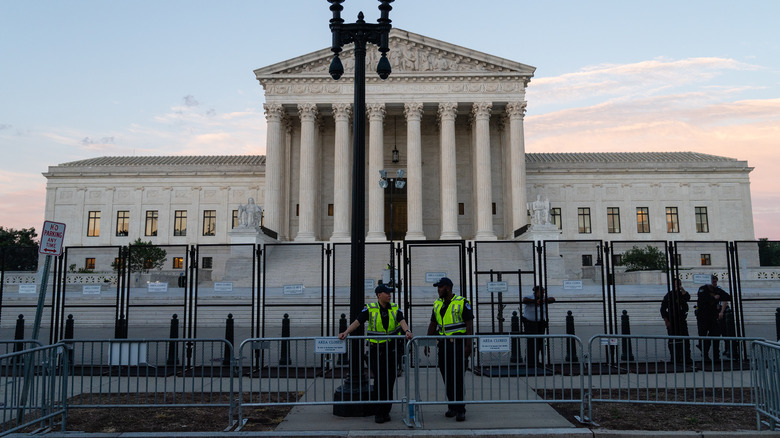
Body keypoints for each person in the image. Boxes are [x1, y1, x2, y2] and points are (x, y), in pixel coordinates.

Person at [338, 284, 413, 424]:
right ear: (379, 295)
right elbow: (358, 321)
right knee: (379, 381)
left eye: (390, 293)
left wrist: (407, 331)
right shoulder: (371, 308)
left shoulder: (395, 308)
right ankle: (379, 412)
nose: (389, 295)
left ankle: (386, 411)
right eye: (386, 293)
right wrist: (346, 332)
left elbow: (402, 320)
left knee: (390, 381)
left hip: (391, 350)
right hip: (376, 351)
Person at [426, 277, 473, 422]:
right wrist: (427, 342)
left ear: (448, 287)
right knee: (447, 377)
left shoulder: (462, 302)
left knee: (457, 378)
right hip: (444, 346)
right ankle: (451, 406)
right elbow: (433, 323)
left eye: (440, 287)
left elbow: (469, 325)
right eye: (438, 287)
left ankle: (460, 409)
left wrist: (468, 345)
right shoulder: (437, 303)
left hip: (458, 345)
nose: (438, 290)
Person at [696, 275, 731, 362]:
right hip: (703, 316)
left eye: (715, 282)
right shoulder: (703, 289)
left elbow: (727, 297)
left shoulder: (717, 290)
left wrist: (719, 295)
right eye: (713, 282)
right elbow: (703, 299)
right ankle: (705, 355)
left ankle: (716, 355)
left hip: (713, 316)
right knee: (703, 335)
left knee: (715, 335)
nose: (714, 284)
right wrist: (713, 298)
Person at [522, 285, 556, 367]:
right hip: (530, 323)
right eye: (541, 292)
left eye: (543, 292)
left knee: (540, 342)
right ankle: (530, 360)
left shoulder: (544, 298)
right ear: (536, 292)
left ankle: (537, 360)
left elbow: (553, 299)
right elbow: (525, 300)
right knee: (531, 342)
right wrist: (535, 301)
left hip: (540, 323)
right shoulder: (529, 297)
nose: (543, 293)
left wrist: (543, 300)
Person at [660, 278, 692, 364]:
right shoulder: (669, 295)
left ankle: (686, 357)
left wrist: (681, 289)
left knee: (685, 338)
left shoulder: (683, 294)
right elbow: (663, 309)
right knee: (673, 339)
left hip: (681, 319)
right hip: (672, 320)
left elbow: (687, 298)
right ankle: (674, 357)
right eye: (675, 284)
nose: (677, 286)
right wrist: (666, 321)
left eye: (679, 284)